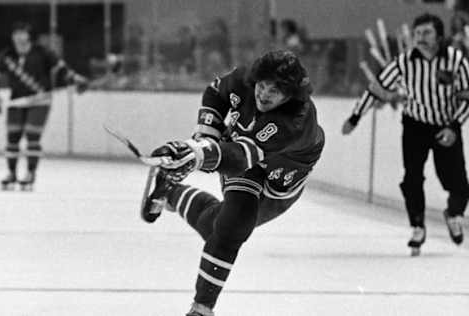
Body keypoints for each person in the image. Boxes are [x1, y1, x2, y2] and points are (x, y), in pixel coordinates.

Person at [141, 50, 324, 316]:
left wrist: (194, 152)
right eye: (262, 85)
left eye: (275, 91)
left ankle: (172, 192)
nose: (263, 94)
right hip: (246, 157)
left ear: (290, 96)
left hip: (278, 179)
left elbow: (241, 156)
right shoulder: (244, 78)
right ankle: (202, 308)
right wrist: (205, 137)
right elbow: (215, 93)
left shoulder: (296, 120)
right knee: (233, 225)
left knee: (215, 229)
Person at [342, 13, 469, 255]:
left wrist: (454, 126)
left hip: (447, 126)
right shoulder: (404, 62)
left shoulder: (456, 61)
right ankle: (418, 226)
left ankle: (453, 214)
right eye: (417, 33)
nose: (420, 38)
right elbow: (377, 87)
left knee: (458, 183)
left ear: (439, 36)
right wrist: (356, 117)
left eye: (427, 33)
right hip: (415, 126)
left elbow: (467, 96)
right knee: (412, 178)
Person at [0, 22, 87, 191]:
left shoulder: (42, 53)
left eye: (22, 33)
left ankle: (30, 173)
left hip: (40, 99)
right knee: (12, 137)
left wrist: (76, 79)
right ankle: (11, 173)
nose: (19, 37)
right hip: (16, 101)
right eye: (16, 33)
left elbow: (61, 69)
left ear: (29, 36)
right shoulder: (8, 55)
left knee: (32, 135)